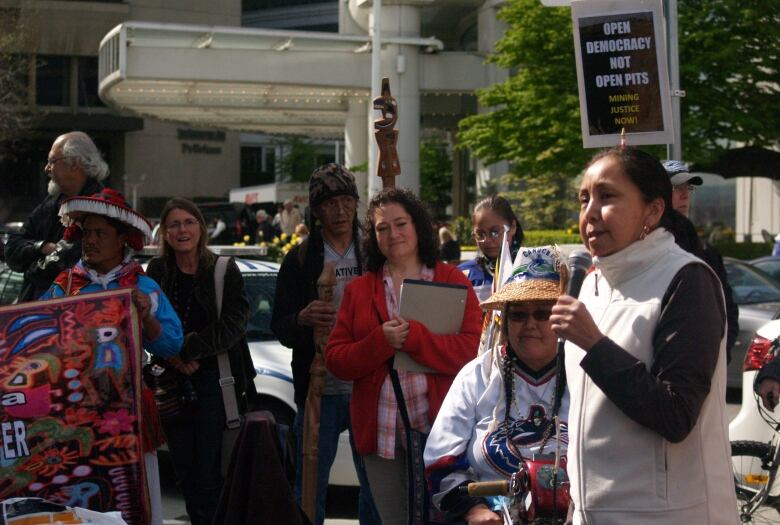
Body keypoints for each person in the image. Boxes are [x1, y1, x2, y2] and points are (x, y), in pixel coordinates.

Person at [551, 147, 737, 524]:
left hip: (667, 514)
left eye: (607, 196)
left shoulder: (688, 279)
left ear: (652, 211)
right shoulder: (592, 285)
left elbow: (676, 414)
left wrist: (595, 345)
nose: (589, 213)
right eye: (584, 198)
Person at [325, 187, 483, 525]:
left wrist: (417, 339)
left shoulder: (451, 279)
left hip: (444, 434)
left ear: (418, 226)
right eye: (382, 228)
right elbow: (336, 360)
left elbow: (472, 352)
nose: (392, 234)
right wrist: (380, 342)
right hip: (382, 439)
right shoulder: (360, 290)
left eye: (400, 224)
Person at [39, 188, 183, 525]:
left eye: (100, 233)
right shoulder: (64, 287)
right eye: (86, 232)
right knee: (80, 503)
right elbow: (36, 342)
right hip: (74, 417)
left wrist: (146, 318)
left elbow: (172, 345)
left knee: (133, 502)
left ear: (122, 239)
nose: (90, 240)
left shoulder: (144, 288)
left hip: (128, 414)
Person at [425, 246, 570, 524]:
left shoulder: (582, 374)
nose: (530, 324)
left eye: (542, 313)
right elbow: (440, 460)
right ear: (505, 321)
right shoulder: (477, 376)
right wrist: (474, 509)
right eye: (518, 315)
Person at [271, 164, 379, 525]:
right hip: (318, 388)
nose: (341, 211)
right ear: (316, 211)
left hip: (369, 385)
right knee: (309, 487)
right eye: (331, 203)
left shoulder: (373, 252)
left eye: (348, 201)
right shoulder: (300, 260)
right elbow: (281, 326)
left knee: (375, 487)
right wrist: (302, 319)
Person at [145, 198, 256, 525]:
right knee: (187, 476)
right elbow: (149, 324)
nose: (182, 230)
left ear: (201, 228)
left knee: (214, 475)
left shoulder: (223, 269)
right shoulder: (157, 271)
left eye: (188, 222)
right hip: (171, 384)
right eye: (174, 224)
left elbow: (234, 324)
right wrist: (175, 357)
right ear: (164, 233)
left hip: (216, 386)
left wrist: (187, 349)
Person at [6, 131, 107, 302]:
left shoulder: (101, 206)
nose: (47, 168)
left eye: (52, 161)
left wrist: (29, 269)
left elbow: (59, 268)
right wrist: (42, 247)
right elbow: (11, 248)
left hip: (75, 313)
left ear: (74, 163)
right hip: (36, 312)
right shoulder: (51, 203)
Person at [663, 159, 739, 358]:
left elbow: (727, 308)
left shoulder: (706, 252)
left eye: (688, 187)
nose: (685, 194)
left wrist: (722, 353)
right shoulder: (643, 247)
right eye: (677, 187)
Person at [459, 195, 524, 302]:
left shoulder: (532, 270)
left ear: (512, 227)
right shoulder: (463, 274)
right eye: (480, 234)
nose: (487, 240)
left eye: (495, 232)